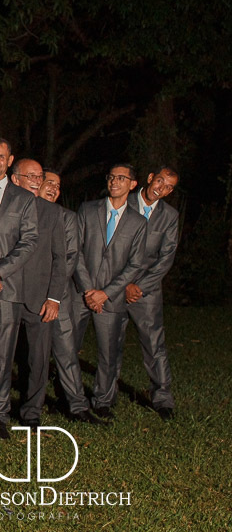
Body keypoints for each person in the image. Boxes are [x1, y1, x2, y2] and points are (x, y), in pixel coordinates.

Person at [0, 137, 39, 439]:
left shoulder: (23, 199)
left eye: (1, 157)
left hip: (6, 288)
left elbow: (28, 242)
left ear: (10, 160)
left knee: (2, 357)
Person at [75, 164, 148, 420]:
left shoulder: (138, 222)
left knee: (108, 354)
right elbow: (77, 252)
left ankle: (103, 400)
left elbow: (135, 264)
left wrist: (105, 293)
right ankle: (71, 396)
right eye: (111, 177)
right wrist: (88, 290)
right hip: (81, 294)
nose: (114, 181)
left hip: (111, 298)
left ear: (133, 184)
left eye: (121, 178)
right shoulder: (87, 209)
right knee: (69, 347)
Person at [37, 170, 101, 423]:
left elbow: (71, 258)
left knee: (66, 351)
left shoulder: (68, 217)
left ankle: (77, 406)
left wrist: (52, 294)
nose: (54, 188)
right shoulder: (24, 211)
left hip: (58, 297)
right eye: (48, 182)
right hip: (27, 296)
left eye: (58, 185)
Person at [7, 159, 67, 429]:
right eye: (29, 175)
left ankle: (31, 412)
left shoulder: (52, 213)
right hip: (4, 294)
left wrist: (54, 298)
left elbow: (60, 258)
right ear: (14, 179)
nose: (35, 179)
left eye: (39, 175)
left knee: (38, 358)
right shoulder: (3, 206)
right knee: (1, 356)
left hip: (39, 298)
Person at [125, 167, 181, 418]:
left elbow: (166, 258)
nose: (162, 188)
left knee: (154, 344)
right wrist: (120, 284)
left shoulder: (169, 216)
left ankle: (162, 399)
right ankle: (103, 396)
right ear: (149, 178)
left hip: (145, 291)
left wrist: (141, 286)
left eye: (169, 187)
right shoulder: (122, 201)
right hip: (113, 285)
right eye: (160, 181)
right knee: (110, 343)